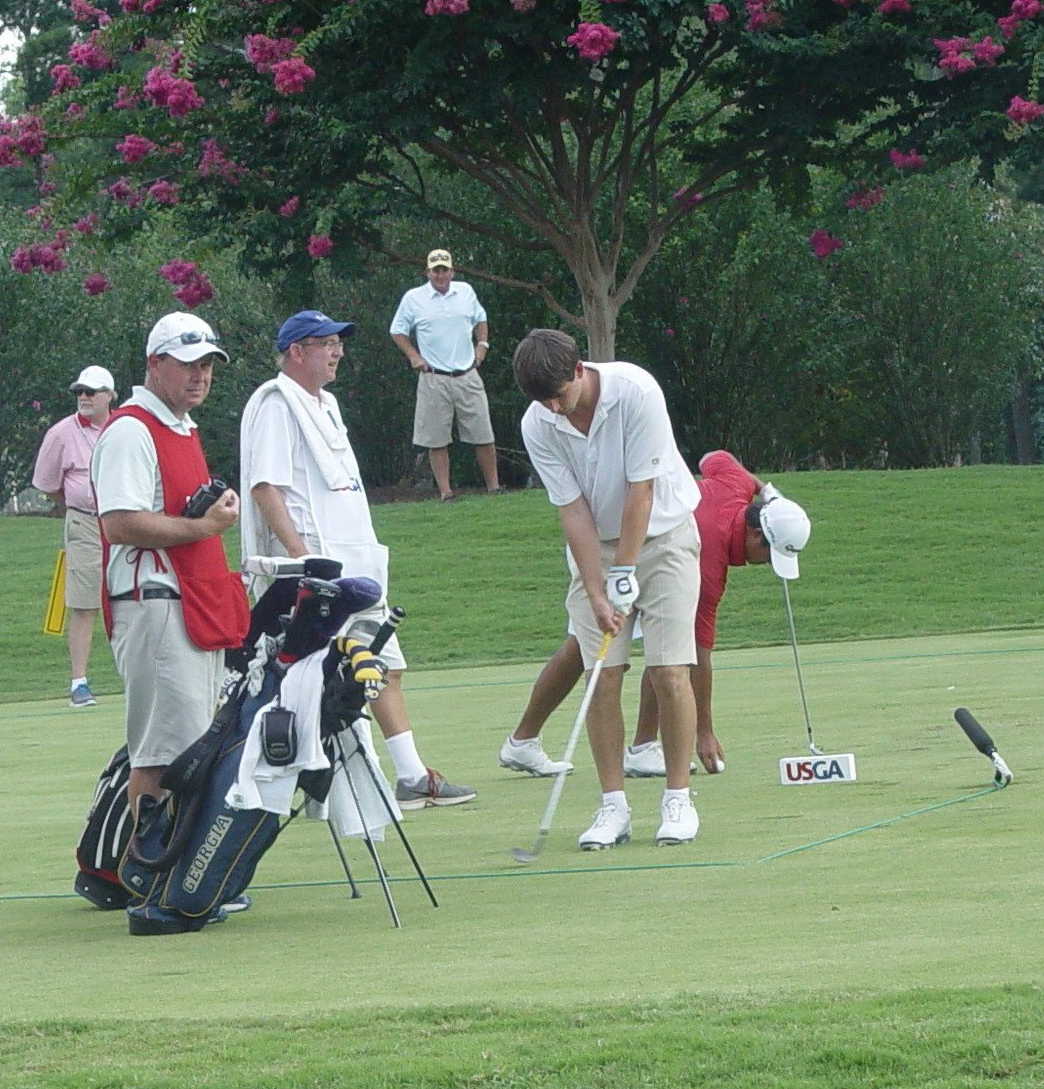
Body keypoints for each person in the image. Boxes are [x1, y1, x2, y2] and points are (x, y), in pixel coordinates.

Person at [238, 310, 474, 807]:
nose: (338, 351)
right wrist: (306, 562)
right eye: (326, 343)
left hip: (356, 564)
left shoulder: (326, 405)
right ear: (297, 351)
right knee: (319, 683)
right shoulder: (277, 404)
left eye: (338, 343)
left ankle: (408, 776)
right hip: (320, 573)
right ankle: (298, 789)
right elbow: (266, 487)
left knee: (383, 664)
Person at [500, 453, 812, 780]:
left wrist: (767, 491)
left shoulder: (738, 485)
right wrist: (704, 731)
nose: (767, 564)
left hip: (629, 536)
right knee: (662, 649)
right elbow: (699, 655)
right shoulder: (709, 563)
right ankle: (640, 747)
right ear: (754, 532)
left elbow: (714, 459)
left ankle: (527, 741)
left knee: (588, 647)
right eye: (769, 554)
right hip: (614, 548)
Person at [512, 327, 704, 850]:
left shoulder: (637, 391)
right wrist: (597, 588)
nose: (553, 408)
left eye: (559, 395)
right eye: (542, 401)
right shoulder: (539, 421)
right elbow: (572, 510)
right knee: (603, 674)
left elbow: (641, 493)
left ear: (579, 371)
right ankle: (613, 807)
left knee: (667, 671)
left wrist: (624, 572)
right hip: (595, 546)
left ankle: (678, 799)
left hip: (663, 536)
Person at [93, 313, 249, 841]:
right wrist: (204, 524)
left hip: (185, 604)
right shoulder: (133, 428)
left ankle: (169, 873)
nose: (200, 375)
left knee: (186, 746)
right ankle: (154, 875)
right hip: (155, 603)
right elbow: (120, 522)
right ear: (154, 364)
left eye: (206, 365)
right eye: (187, 365)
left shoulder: (179, 426)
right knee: (163, 757)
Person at [387, 249, 502, 502]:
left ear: (452, 271)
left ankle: (494, 487)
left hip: (467, 374)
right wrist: (413, 356)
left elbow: (481, 319)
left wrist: (482, 347)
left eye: (444, 270)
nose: (440, 275)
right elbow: (397, 331)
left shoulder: (465, 291)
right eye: (435, 270)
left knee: (484, 433)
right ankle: (446, 492)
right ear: (427, 272)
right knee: (436, 438)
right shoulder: (414, 298)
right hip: (433, 376)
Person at [33, 364, 116, 711]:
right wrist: (80, 504)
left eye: (91, 392)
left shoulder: (124, 426)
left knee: (135, 599)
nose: (84, 397)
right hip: (84, 524)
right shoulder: (61, 433)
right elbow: (49, 485)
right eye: (79, 391)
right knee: (83, 602)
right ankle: (79, 683)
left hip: (127, 524)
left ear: (109, 396)